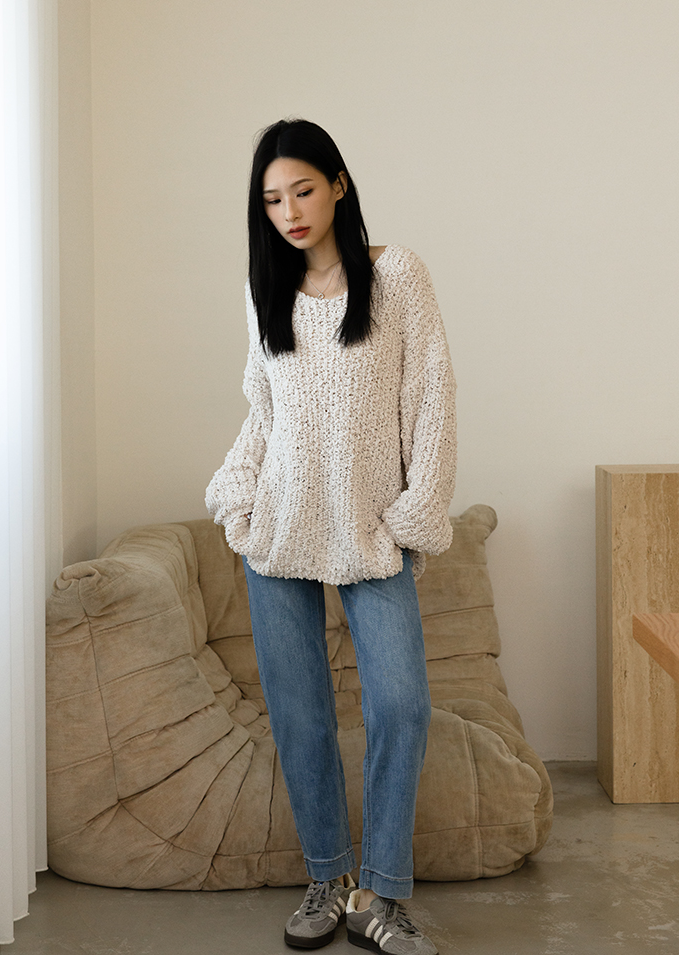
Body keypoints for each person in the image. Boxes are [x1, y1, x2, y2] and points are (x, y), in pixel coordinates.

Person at [206, 118, 456, 955]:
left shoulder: (396, 275)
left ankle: (380, 896)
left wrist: (413, 514)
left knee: (400, 706)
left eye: (303, 190)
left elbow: (432, 399)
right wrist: (238, 501)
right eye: (272, 199)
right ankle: (327, 877)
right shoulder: (263, 290)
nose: (289, 212)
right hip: (277, 529)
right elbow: (264, 411)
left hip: (370, 530)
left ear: (338, 184)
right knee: (301, 718)